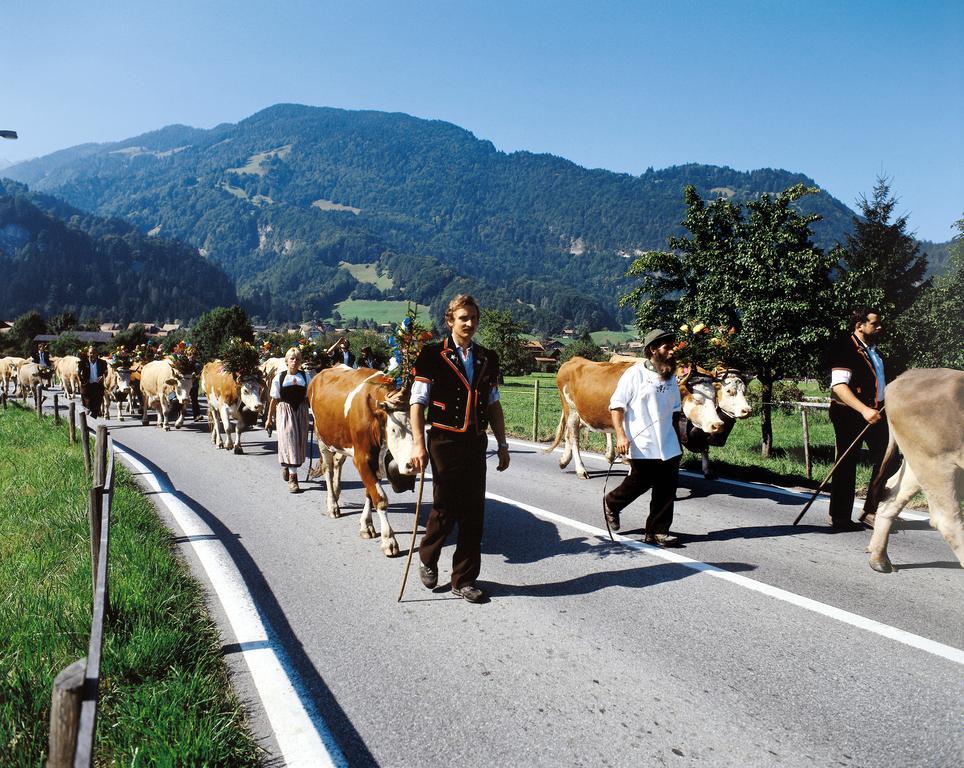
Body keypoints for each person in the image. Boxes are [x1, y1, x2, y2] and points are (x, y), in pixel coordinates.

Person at [409, 294, 510, 603]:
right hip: (443, 440)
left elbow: (493, 404)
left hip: (475, 441)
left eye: (474, 318)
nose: (469, 323)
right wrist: (417, 443)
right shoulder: (431, 355)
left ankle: (464, 579)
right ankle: (428, 557)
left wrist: (503, 444)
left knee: (473, 511)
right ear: (449, 320)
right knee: (445, 506)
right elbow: (417, 401)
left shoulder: (487, 358)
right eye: (463, 318)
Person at [603, 328, 684, 546]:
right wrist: (620, 436)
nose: (672, 352)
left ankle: (657, 531)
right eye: (667, 347)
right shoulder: (635, 374)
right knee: (639, 482)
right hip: (642, 441)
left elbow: (675, 411)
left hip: (668, 443)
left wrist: (677, 441)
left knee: (667, 489)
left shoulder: (670, 378)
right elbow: (616, 406)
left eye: (672, 347)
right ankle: (612, 502)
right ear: (652, 350)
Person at [826, 307, 898, 530]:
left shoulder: (874, 351)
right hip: (849, 413)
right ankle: (839, 516)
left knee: (890, 459)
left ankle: (871, 509)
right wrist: (863, 409)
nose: (879, 327)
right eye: (874, 324)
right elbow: (839, 387)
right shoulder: (844, 348)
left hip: (876, 414)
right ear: (860, 326)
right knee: (847, 463)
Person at [265, 347, 312, 493]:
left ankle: (287, 465)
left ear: (301, 361)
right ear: (286, 361)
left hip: (301, 411)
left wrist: (314, 416)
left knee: (298, 443)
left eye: (297, 359)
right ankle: (293, 479)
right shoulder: (280, 377)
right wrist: (269, 419)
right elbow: (274, 400)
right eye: (292, 358)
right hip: (285, 412)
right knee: (289, 440)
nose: (294, 361)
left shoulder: (305, 377)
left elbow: (310, 397)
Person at [78, 345, 106, 418]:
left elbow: (106, 372)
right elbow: (78, 373)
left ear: (97, 354)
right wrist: (83, 381)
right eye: (90, 353)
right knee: (87, 406)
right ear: (88, 353)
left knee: (96, 407)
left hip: (98, 387)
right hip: (87, 387)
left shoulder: (102, 362)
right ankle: (87, 424)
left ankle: (92, 422)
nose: (92, 355)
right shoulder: (82, 363)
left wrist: (103, 377)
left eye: (94, 353)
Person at [185, 346, 202, 421]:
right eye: (190, 354)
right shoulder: (184, 364)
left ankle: (197, 415)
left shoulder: (198, 364)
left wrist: (196, 377)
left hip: (194, 385)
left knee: (194, 400)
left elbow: (200, 374)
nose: (191, 356)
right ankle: (181, 414)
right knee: (183, 400)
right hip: (185, 385)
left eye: (193, 355)